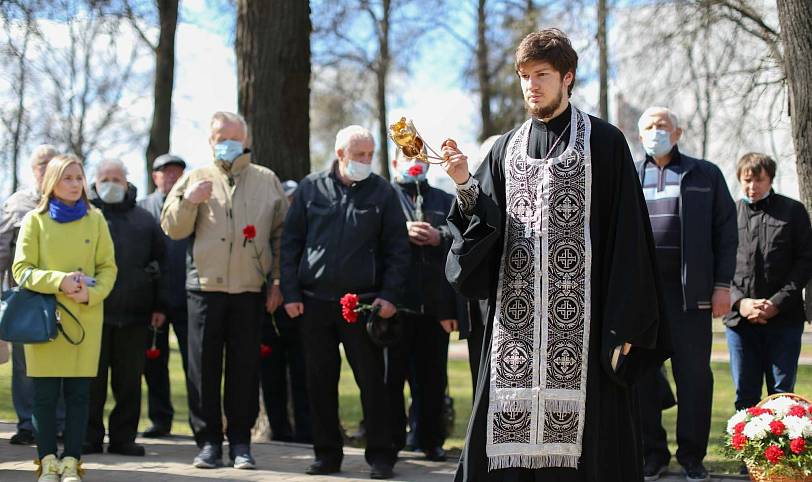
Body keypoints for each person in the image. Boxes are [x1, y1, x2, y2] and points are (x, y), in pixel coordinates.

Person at [441, 29, 670, 481]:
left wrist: (625, 323)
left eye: (542, 74)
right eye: (524, 76)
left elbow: (629, 238)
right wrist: (466, 183)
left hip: (584, 331)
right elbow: (481, 230)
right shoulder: (505, 149)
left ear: (568, 77)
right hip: (516, 334)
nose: (532, 85)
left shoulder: (604, 144)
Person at [281, 125, 410, 479]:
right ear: (340, 155)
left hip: (364, 304)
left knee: (372, 382)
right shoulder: (311, 188)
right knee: (319, 382)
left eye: (370, 155)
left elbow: (398, 249)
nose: (366, 161)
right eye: (359, 155)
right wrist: (290, 293)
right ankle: (326, 455)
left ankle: (382, 456)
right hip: (314, 303)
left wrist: (390, 296)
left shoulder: (382, 192)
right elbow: (291, 243)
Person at [161, 111, 289, 470]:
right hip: (204, 289)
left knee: (244, 369)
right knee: (203, 369)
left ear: (246, 140)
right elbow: (172, 228)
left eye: (234, 137)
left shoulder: (266, 180)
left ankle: (242, 444)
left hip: (250, 290)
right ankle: (208, 444)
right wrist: (190, 201)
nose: (228, 143)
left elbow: (282, 236)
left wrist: (276, 281)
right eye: (221, 137)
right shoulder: (195, 178)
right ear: (210, 140)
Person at [634, 106, 737, 482]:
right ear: (639, 133)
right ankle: (652, 454)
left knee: (694, 379)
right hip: (642, 299)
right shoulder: (630, 174)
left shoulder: (704, 174)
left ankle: (692, 456)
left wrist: (723, 286)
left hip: (690, 296)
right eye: (648, 126)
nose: (655, 132)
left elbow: (726, 233)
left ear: (677, 133)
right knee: (641, 377)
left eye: (662, 126)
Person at [12, 154, 117, 482]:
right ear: (51, 182)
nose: (75, 184)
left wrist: (90, 293)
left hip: (85, 317)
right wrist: (59, 280)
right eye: (67, 178)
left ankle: (72, 460)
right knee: (43, 396)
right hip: (44, 319)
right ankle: (47, 461)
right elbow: (21, 270)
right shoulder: (35, 220)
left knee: (78, 395)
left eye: (78, 177)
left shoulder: (96, 218)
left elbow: (108, 269)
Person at [84, 159, 166, 457]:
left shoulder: (145, 220)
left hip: (135, 315)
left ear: (127, 182)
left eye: (117, 178)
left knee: (129, 382)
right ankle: (89, 437)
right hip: (92, 314)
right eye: (105, 178)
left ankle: (123, 438)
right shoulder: (84, 216)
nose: (111, 184)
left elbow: (161, 263)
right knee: (92, 383)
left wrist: (160, 305)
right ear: (94, 182)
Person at [724, 153, 812, 409]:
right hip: (740, 323)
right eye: (747, 180)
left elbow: (805, 261)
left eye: (759, 180)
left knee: (783, 397)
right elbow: (719, 263)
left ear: (770, 179)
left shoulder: (792, 212)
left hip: (784, 321)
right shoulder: (730, 214)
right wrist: (740, 303)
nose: (752, 187)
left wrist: (776, 303)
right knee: (745, 396)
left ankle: (779, 451)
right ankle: (746, 450)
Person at [388, 150, 457, 462]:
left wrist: (438, 235)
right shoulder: (385, 196)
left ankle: (430, 440)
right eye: (406, 156)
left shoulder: (444, 199)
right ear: (393, 163)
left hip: (433, 307)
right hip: (395, 305)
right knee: (391, 377)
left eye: (419, 156)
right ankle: (390, 442)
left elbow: (461, 238)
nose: (413, 162)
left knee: (432, 380)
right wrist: (402, 231)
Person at [0, 145, 64, 446]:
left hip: (64, 297)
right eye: (41, 164)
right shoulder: (16, 204)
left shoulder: (71, 201)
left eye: (53, 163)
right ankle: (28, 424)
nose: (46, 168)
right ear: (33, 169)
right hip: (25, 297)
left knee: (63, 363)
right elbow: (1, 250)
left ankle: (60, 423)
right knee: (25, 366)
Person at [138, 153, 190, 438]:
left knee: (194, 364)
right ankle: (160, 419)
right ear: (155, 175)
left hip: (187, 297)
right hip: (152, 301)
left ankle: (201, 422)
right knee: (153, 364)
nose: (171, 177)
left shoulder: (195, 205)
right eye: (165, 172)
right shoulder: (141, 209)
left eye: (177, 172)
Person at [261, 179, 313, 444]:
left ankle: (306, 431)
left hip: (301, 309)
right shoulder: (269, 226)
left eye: (293, 198)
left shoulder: (308, 226)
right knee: (271, 375)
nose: (290, 204)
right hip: (269, 313)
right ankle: (280, 430)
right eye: (286, 199)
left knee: (303, 373)